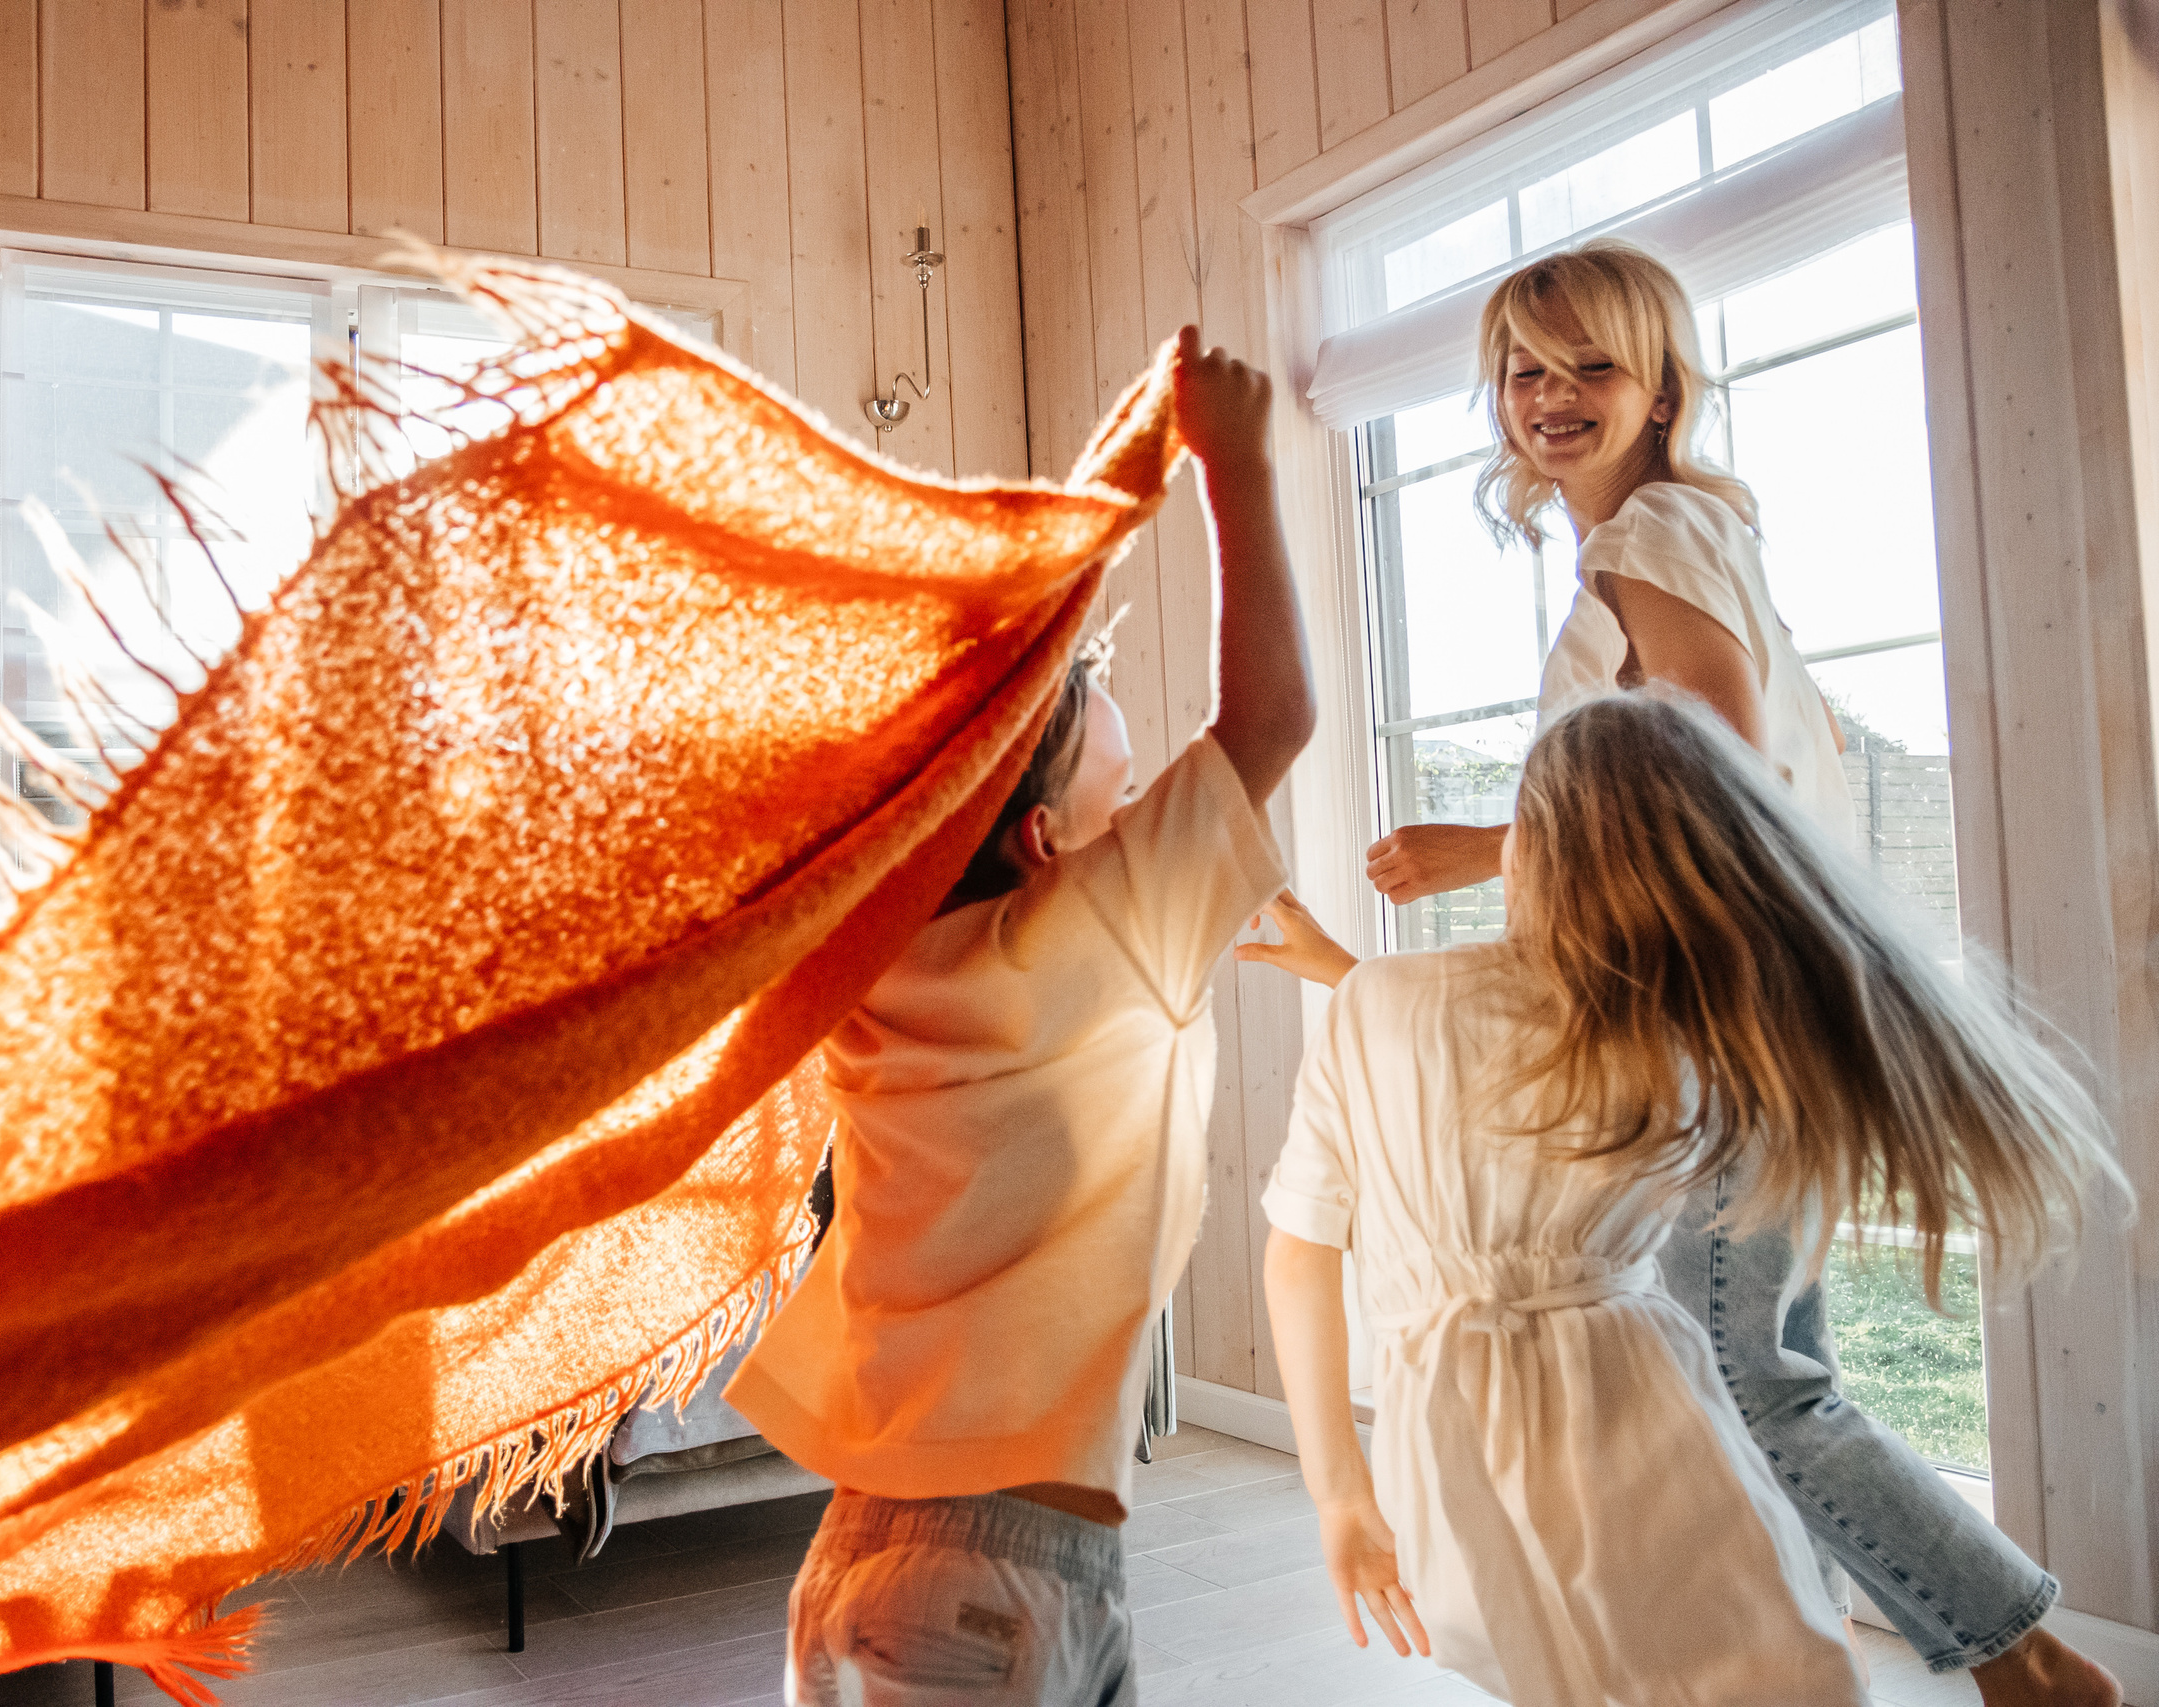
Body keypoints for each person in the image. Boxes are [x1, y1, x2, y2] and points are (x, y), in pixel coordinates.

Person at [1347, 241, 2122, 1706]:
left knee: (1746, 1373)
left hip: (1728, 1020)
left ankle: (2026, 1659)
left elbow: (1710, 770)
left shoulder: (1650, 538)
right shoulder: (1658, 541)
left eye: (1593, 366)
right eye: (1526, 367)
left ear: (1663, 391)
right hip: (1731, 1012)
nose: (1552, 395)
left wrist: (1481, 847)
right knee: (1748, 1363)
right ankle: (1827, 1646)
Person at [1246, 692, 2124, 1705]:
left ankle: (1989, 1652)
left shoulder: (1407, 1009)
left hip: (1480, 1432)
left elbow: (1459, 1102)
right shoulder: (1694, 1037)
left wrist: (1339, 1494)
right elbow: (1524, 1067)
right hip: (1648, 1395)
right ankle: (1925, 1639)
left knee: (1713, 1525)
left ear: (1530, 845)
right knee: (1763, 1627)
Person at [725, 327, 1311, 1705]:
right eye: (1094, 704)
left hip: (878, 1551)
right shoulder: (1097, 923)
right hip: (993, 1576)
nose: (1120, 712)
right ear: (1047, 834)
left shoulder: (870, 967)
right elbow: (1272, 716)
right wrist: (1236, 463)